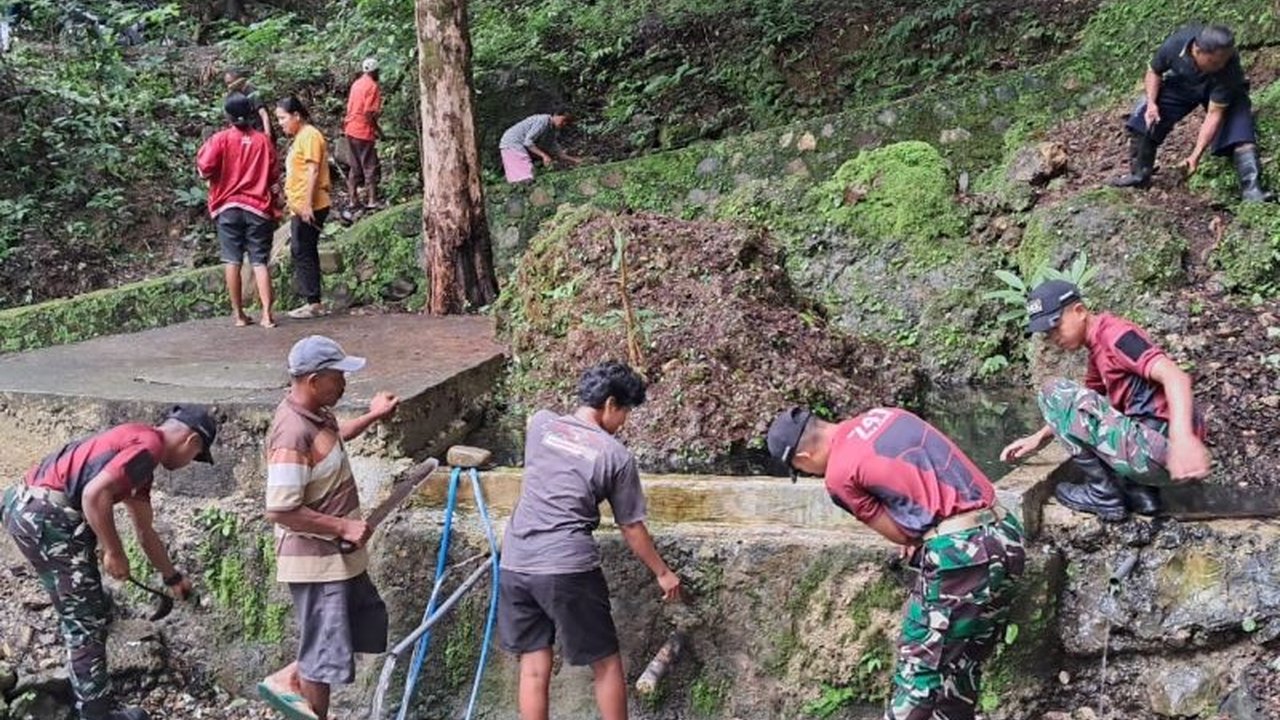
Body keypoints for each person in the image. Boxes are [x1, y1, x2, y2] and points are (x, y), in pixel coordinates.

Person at [766, 404, 1025, 720]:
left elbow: (901, 534)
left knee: (919, 670)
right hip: (1006, 535)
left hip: (960, 554)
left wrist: (917, 532)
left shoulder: (838, 476)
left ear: (802, 459)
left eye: (801, 469)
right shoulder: (885, 415)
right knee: (960, 665)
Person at [1, 405, 217, 720]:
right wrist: (112, 551)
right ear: (192, 441)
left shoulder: (138, 450)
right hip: (46, 516)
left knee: (87, 607)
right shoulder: (149, 446)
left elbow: (145, 531)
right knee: (84, 620)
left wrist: (172, 578)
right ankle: (95, 713)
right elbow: (92, 496)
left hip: (24, 505)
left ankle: (86, 692)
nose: (188, 464)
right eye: (195, 457)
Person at [499, 361, 682, 720]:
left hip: (516, 562)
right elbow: (631, 527)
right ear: (611, 404)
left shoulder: (540, 424)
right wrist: (663, 572)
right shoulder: (615, 456)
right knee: (606, 664)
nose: (625, 422)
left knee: (534, 666)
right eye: (626, 411)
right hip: (566, 568)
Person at [257, 335, 400, 720]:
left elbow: (335, 438)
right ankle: (308, 706)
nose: (344, 384)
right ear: (314, 379)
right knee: (323, 655)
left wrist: (372, 416)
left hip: (337, 557)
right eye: (338, 377)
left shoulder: (317, 414)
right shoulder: (291, 432)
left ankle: (291, 677)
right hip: (316, 561)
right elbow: (280, 509)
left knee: (345, 632)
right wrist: (342, 526)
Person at [1000, 280, 1210, 522]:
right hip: (1164, 460)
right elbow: (1081, 407)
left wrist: (1184, 440)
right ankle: (1141, 494)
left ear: (1079, 311)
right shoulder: (1097, 348)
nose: (1052, 337)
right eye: (1047, 333)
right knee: (1080, 400)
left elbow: (1176, 376)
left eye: (1055, 325)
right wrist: (1038, 437)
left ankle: (1103, 495)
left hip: (1171, 456)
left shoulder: (1116, 336)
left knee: (1052, 390)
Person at [1109, 24, 1273, 202]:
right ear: (1197, 50)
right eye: (1214, 62)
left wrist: (1196, 155)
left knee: (1240, 129)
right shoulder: (1175, 45)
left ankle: (1251, 190)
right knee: (1145, 119)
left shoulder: (1227, 68)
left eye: (1224, 60)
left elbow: (1214, 114)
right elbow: (1154, 71)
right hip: (1184, 83)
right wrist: (1151, 104)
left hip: (1222, 90)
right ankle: (1139, 174)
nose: (1220, 65)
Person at [196, 94, 280, 328]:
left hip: (227, 207)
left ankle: (239, 315)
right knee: (259, 261)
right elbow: (273, 174)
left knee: (232, 260)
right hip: (258, 209)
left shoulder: (220, 139)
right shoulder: (263, 141)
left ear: (228, 116)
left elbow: (205, 169)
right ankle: (267, 315)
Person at [275, 97, 332, 320]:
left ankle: (313, 302)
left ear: (296, 115)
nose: (280, 123)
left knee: (302, 250)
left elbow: (313, 171)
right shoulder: (301, 137)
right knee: (303, 250)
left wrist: (307, 203)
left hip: (311, 205)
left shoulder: (309, 135)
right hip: (300, 206)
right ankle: (313, 300)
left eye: (282, 118)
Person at [343, 57, 383, 212]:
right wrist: (378, 131)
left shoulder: (357, 84)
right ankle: (372, 200)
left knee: (354, 166)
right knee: (370, 166)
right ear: (374, 72)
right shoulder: (372, 86)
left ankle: (353, 200)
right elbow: (368, 113)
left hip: (350, 130)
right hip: (363, 132)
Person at [498, 111, 582, 184]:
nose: (564, 124)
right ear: (556, 115)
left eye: (566, 123)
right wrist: (544, 156)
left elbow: (555, 149)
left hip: (514, 144)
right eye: (563, 120)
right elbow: (528, 142)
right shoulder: (543, 121)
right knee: (524, 175)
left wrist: (574, 160)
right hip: (512, 142)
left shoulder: (551, 129)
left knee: (524, 174)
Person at [223, 67, 273, 141]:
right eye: (227, 83)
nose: (229, 86)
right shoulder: (235, 94)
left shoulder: (251, 91)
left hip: (259, 131)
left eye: (230, 82)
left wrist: (267, 134)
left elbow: (263, 113)